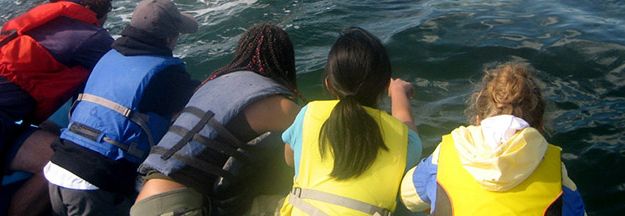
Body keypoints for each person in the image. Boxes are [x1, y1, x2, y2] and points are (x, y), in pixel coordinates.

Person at [44, 0, 200, 216]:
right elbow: (202, 102)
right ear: (168, 38)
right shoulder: (166, 74)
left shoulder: (109, 56)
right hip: (94, 185)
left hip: (57, 170)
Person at [131, 22, 303, 216]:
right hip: (178, 208)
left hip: (145, 197)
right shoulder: (277, 103)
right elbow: (316, 136)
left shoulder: (213, 84)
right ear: (284, 61)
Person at [0, 0, 115, 216]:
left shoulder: (34, 24)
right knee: (68, 159)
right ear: (104, 6)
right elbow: (129, 67)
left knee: (51, 132)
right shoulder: (91, 37)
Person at [400, 62, 587, 216]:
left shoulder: (447, 153)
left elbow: (407, 197)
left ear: (478, 119)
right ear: (540, 126)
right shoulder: (555, 171)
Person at [280, 27, 422, 216]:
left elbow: (289, 160)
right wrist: (398, 93)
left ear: (329, 84)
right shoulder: (406, 142)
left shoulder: (308, 114)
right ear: (383, 88)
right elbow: (408, 128)